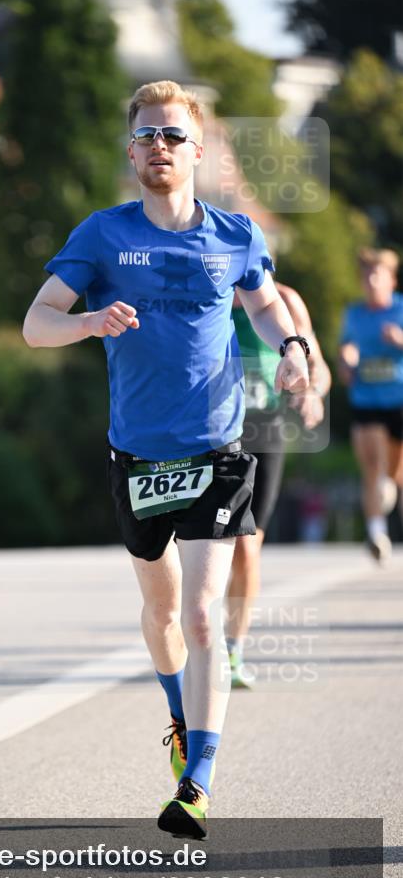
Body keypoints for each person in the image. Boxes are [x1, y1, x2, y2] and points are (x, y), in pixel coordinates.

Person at [23, 81, 309, 838]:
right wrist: (86, 322)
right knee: (160, 613)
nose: (160, 147)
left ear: (197, 149)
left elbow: (265, 301)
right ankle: (180, 719)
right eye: (147, 136)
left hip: (218, 447)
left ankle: (197, 783)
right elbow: (34, 324)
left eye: (173, 136)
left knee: (202, 616)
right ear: (131, 151)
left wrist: (294, 348)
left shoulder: (235, 234)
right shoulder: (103, 236)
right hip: (137, 456)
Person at [226, 283, 332, 688]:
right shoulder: (206, 292)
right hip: (209, 435)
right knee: (207, 546)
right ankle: (201, 635)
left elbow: (317, 365)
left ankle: (233, 650)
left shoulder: (285, 302)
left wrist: (313, 393)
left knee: (247, 548)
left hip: (263, 433)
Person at [339, 248, 403, 562]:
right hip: (365, 398)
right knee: (371, 468)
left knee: (394, 474)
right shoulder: (354, 314)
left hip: (399, 400)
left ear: (391, 280)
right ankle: (377, 533)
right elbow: (344, 353)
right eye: (367, 276)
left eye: (378, 275)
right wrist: (346, 361)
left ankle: (389, 490)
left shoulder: (401, 310)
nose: (372, 281)